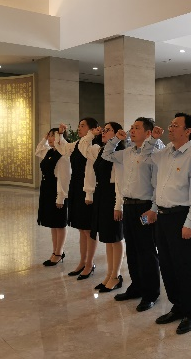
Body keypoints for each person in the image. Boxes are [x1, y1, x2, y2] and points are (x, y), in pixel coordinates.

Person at [143, 113, 191, 334]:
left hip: (182, 217)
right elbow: (144, 156)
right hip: (163, 216)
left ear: (188, 131)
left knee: (184, 266)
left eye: (176, 125)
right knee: (166, 264)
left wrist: (190, 222)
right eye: (171, 124)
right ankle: (177, 306)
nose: (170, 127)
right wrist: (152, 138)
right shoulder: (166, 152)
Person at [102, 117, 162, 312]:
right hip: (128, 206)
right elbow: (106, 154)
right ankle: (136, 286)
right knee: (133, 249)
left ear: (148, 133)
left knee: (146, 250)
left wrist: (154, 209)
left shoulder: (153, 154)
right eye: (132, 127)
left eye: (137, 128)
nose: (132, 130)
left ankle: (151, 293)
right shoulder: (127, 152)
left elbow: (157, 184)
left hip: (144, 207)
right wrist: (115, 139)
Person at [79, 122, 125, 292]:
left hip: (112, 196)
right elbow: (83, 148)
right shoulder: (101, 151)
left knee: (115, 237)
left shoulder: (119, 152)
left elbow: (120, 181)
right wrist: (91, 134)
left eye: (108, 130)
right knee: (107, 237)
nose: (104, 132)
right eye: (103, 130)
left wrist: (118, 205)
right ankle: (109, 274)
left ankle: (116, 275)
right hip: (101, 195)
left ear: (117, 134)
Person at [56, 118, 100, 279]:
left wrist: (90, 136)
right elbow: (62, 148)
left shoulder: (93, 146)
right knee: (81, 229)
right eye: (79, 125)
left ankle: (90, 263)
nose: (79, 128)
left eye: (83, 126)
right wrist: (60, 134)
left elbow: (90, 168)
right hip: (76, 189)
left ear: (92, 129)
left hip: (87, 190)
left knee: (88, 229)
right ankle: (82, 261)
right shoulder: (77, 144)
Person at [35, 128, 71, 266]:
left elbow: (64, 178)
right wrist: (44, 138)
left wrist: (61, 197)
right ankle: (54, 251)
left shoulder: (63, 155)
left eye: (53, 136)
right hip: (47, 191)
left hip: (57, 192)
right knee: (53, 223)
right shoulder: (50, 151)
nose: (50, 139)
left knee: (59, 223)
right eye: (49, 136)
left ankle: (59, 252)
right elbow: (38, 150)